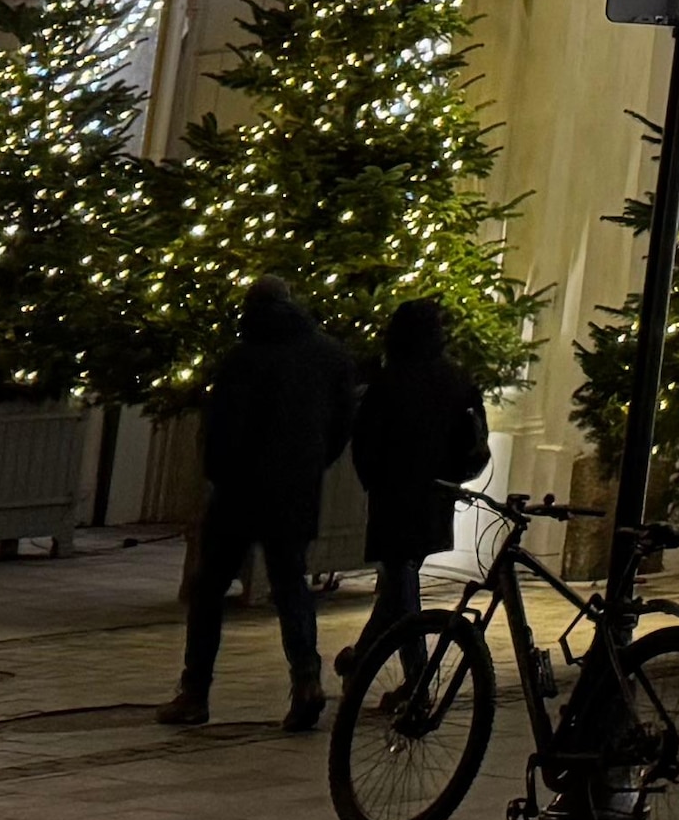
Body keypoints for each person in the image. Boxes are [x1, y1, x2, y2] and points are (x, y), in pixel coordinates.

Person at [159, 278, 354, 732]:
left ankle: (195, 692)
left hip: (240, 491)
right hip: (296, 489)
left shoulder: (243, 357)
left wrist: (220, 474)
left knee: (210, 589)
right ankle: (306, 681)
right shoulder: (329, 356)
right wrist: (311, 462)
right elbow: (341, 424)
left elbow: (223, 429)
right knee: (291, 586)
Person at [343, 295, 490, 679]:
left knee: (401, 588)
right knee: (399, 584)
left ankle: (416, 679)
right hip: (437, 495)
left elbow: (366, 442)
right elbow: (472, 441)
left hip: (394, 496)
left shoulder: (390, 381)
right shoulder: (457, 380)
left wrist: (374, 479)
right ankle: (363, 659)